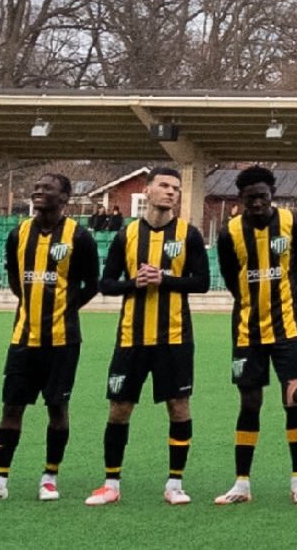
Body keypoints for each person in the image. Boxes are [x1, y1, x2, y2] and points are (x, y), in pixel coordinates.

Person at [0, 173, 99, 503]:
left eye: (47, 189)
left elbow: (92, 284)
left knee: (57, 408)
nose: (38, 193)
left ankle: (50, 477)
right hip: (24, 338)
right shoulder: (18, 233)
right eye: (36, 189)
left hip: (63, 341)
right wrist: (30, 305)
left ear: (65, 198)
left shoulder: (80, 237)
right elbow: (14, 277)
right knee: (11, 407)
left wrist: (66, 309)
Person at [84, 167, 209, 507]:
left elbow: (202, 282)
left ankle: (175, 484)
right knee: (119, 408)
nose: (171, 193)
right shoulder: (126, 236)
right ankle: (111, 483)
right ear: (148, 190)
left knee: (178, 406)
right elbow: (106, 284)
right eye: (165, 186)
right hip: (131, 338)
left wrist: (164, 278)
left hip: (175, 338)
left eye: (176, 189)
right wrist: (134, 284)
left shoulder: (189, 234)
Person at [214, 165, 297, 506]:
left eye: (263, 197)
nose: (257, 204)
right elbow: (230, 276)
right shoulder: (228, 233)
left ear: (273, 195)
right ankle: (242, 483)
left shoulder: (293, 224)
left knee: (294, 400)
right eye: (249, 198)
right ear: (239, 199)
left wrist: (283, 296)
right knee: (249, 403)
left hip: (288, 328)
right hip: (246, 332)